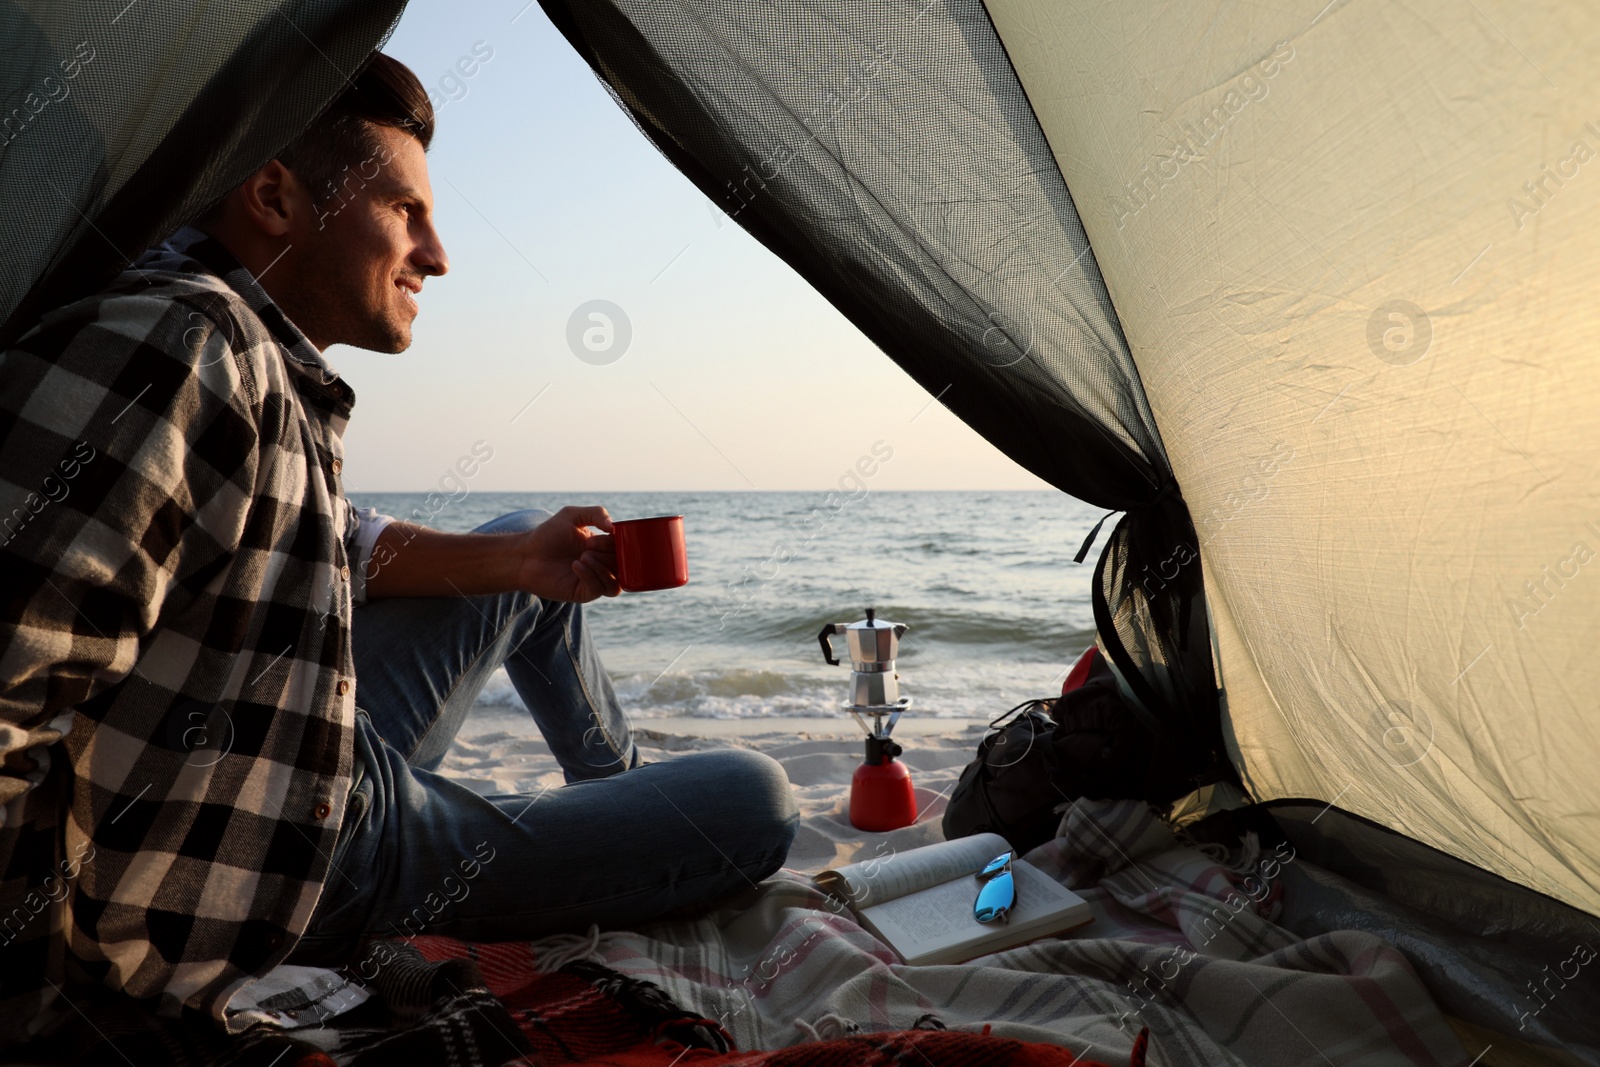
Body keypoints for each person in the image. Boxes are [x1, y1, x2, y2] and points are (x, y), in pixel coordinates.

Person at [0, 52, 797, 1041]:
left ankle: (609, 798)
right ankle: (597, 829)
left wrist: (522, 566)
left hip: (304, 742)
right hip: (304, 851)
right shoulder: (181, 350)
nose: (439, 254)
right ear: (274, 196)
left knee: (517, 540)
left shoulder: (245, 354)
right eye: (406, 212)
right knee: (757, 799)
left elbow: (330, 542)